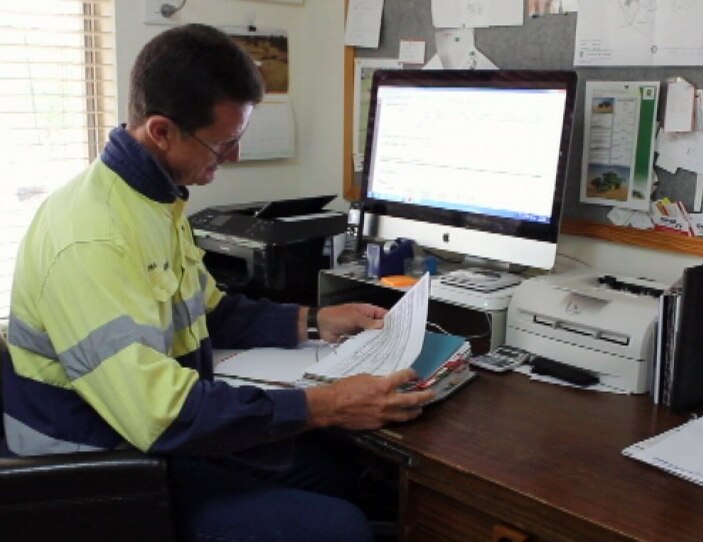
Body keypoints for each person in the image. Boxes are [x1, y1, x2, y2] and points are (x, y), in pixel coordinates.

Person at [2, 23, 434, 542]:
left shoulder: (153, 199)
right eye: (223, 143)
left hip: (147, 431)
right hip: (100, 464)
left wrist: (316, 321)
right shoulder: (92, 240)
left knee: (343, 472)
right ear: (161, 131)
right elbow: (160, 416)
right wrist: (326, 404)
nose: (232, 158)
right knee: (338, 526)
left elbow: (211, 311)